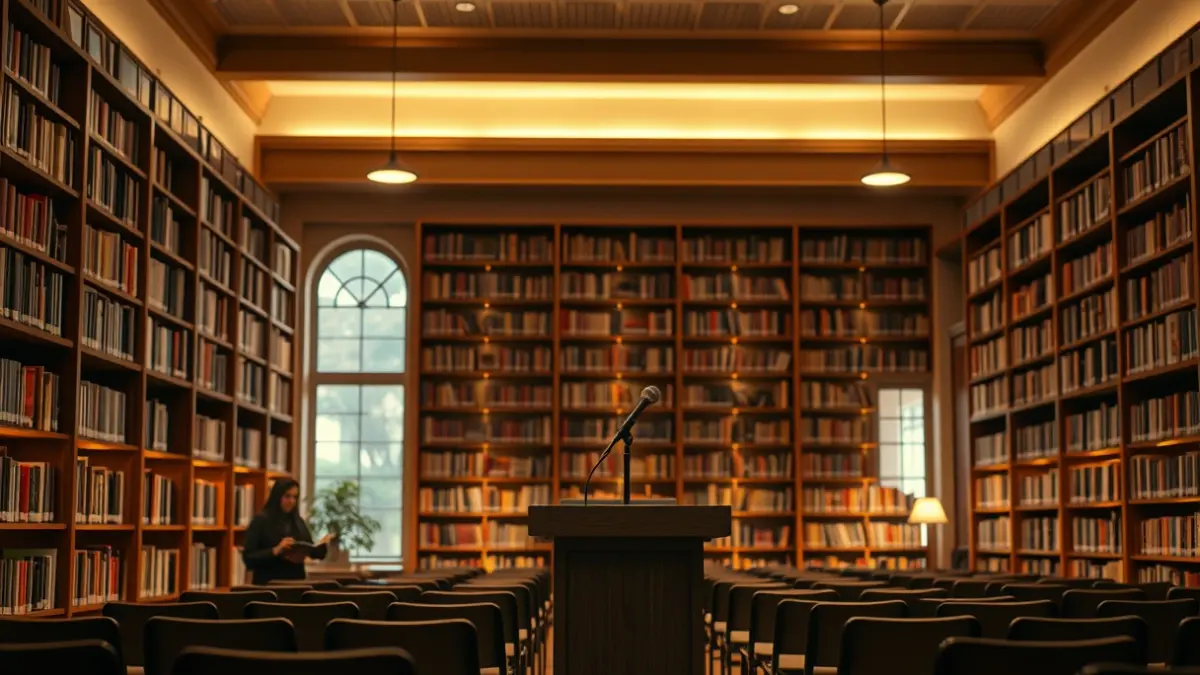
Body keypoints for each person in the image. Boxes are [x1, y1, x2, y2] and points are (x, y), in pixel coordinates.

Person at [242, 479, 334, 584]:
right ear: (277, 497)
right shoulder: (261, 521)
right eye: (287, 496)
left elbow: (312, 550)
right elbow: (248, 558)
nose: (292, 501)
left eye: (295, 497)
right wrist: (276, 550)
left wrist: (321, 546)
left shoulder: (298, 521)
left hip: (296, 583)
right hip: (269, 584)